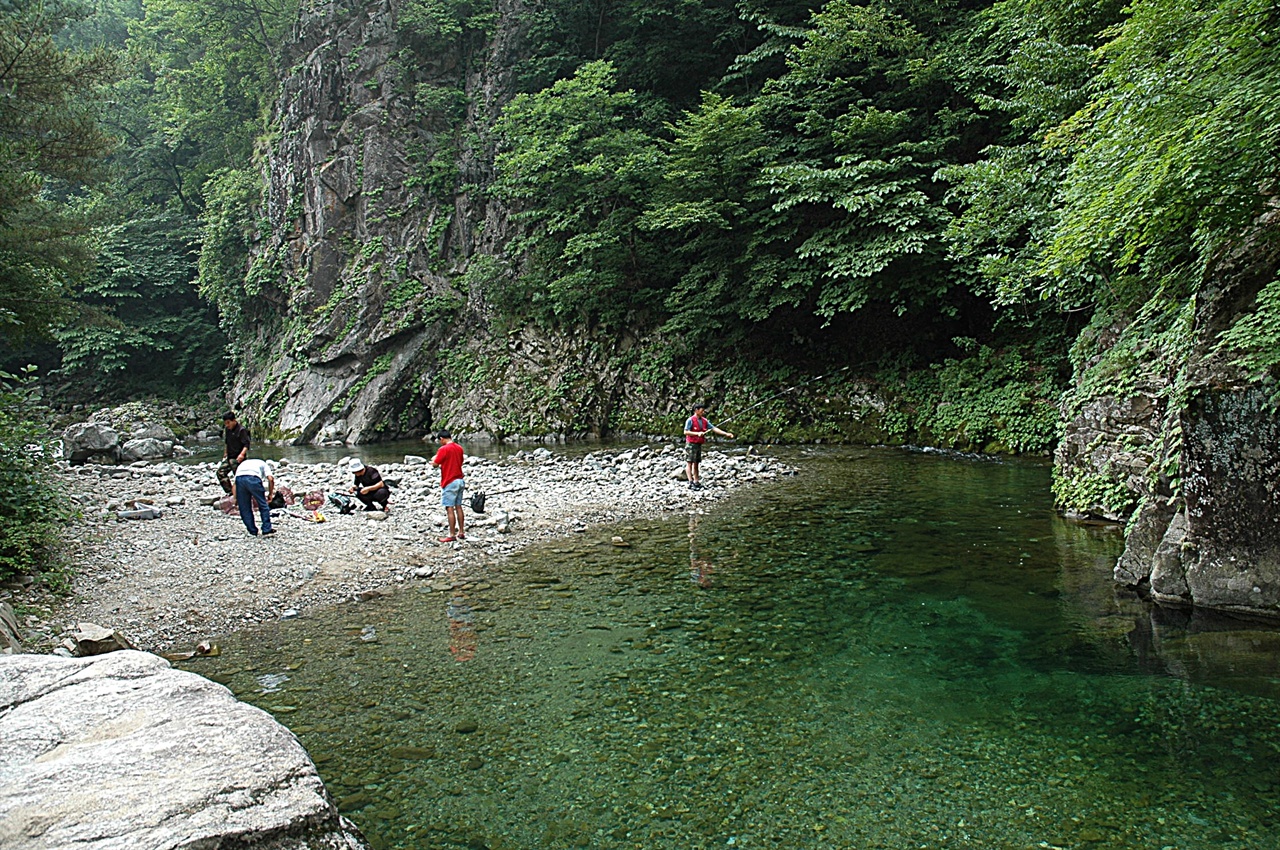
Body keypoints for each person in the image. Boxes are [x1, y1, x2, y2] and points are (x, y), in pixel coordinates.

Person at [684, 403, 733, 490]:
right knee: (689, 463)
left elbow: (714, 428)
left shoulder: (704, 421)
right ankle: (690, 482)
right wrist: (697, 433)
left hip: (698, 445)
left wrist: (726, 434)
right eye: (702, 410)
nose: (703, 412)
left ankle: (696, 481)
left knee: (696, 463)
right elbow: (686, 432)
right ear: (696, 410)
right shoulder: (690, 420)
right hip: (690, 445)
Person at [430, 430, 465, 542]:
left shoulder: (443, 449)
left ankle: (451, 535)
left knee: (449, 508)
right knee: (458, 506)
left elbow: (436, 464)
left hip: (450, 481)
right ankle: (461, 532)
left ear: (441, 438)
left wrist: (432, 462)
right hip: (460, 480)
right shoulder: (459, 448)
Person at [232, 457, 275, 537]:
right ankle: (266, 529)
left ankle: (252, 530)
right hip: (253, 478)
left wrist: (235, 498)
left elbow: (234, 484)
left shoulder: (242, 465)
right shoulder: (263, 463)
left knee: (244, 507)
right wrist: (270, 494)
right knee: (263, 505)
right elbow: (270, 479)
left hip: (240, 479)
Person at [217, 412, 251, 495]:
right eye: (225, 423)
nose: (227, 425)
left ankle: (243, 493)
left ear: (234, 420)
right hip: (230, 456)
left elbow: (246, 444)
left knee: (239, 476)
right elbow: (227, 442)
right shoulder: (227, 430)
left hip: (238, 457)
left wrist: (242, 454)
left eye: (228, 423)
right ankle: (230, 491)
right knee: (220, 472)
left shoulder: (241, 430)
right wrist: (225, 453)